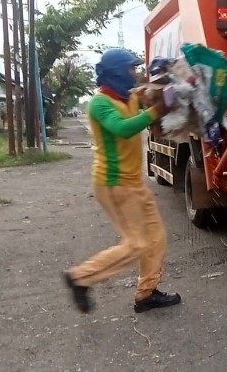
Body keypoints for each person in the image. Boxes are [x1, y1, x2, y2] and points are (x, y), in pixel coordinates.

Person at [62, 48, 180, 314]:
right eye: (131, 69)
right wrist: (157, 110)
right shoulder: (99, 103)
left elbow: (148, 113)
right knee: (136, 243)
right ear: (117, 72)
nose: (135, 73)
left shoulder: (131, 97)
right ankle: (80, 277)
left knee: (156, 238)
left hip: (135, 184)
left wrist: (163, 106)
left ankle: (146, 293)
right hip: (114, 184)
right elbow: (123, 129)